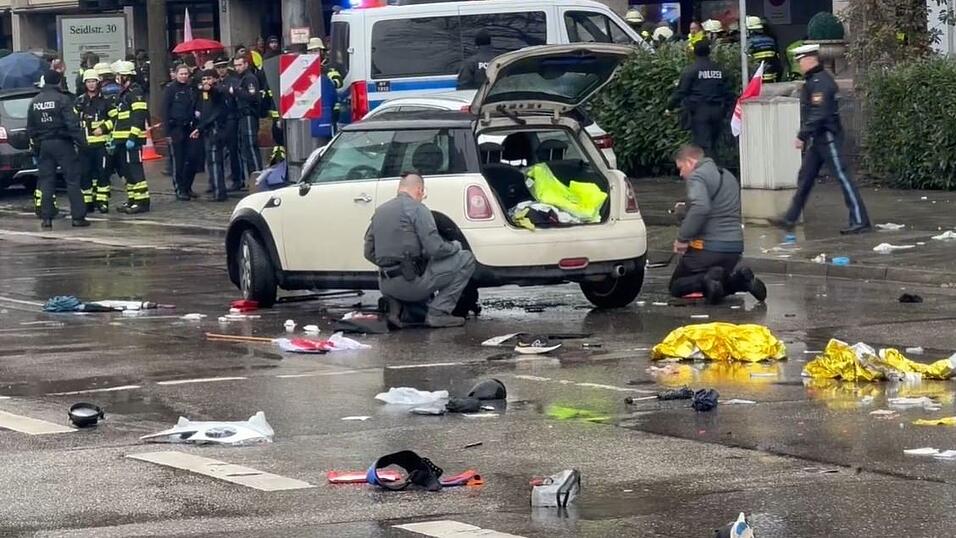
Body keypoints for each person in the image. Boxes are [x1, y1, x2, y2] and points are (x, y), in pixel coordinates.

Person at [770, 45, 871, 235]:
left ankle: (860, 220)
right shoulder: (813, 81)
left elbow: (820, 113)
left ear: (811, 60)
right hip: (819, 139)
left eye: (801, 61)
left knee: (843, 178)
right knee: (805, 178)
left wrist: (802, 135)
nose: (799, 65)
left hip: (828, 136)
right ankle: (789, 218)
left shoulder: (821, 82)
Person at [364, 172, 476, 329]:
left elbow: (368, 252)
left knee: (420, 267)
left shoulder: (380, 211)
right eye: (423, 193)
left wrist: (393, 264)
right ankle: (438, 313)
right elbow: (436, 248)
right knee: (466, 258)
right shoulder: (418, 209)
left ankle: (397, 308)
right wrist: (455, 246)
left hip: (386, 286)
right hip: (411, 284)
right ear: (419, 190)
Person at [669, 145, 766, 305]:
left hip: (707, 249)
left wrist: (682, 239)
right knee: (717, 278)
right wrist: (684, 210)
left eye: (680, 168)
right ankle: (741, 280)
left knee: (676, 286)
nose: (681, 174)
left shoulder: (697, 177)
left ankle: (707, 281)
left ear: (690, 161)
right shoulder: (727, 175)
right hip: (734, 248)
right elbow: (719, 208)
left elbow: (701, 207)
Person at [27, 69, 87, 229]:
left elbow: (31, 128)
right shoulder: (63, 99)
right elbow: (72, 124)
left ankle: (46, 218)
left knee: (46, 181)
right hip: (63, 143)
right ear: (58, 82)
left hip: (44, 145)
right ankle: (78, 217)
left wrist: (37, 147)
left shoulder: (35, 102)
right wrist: (82, 143)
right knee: (72, 180)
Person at [669, 41, 732, 156]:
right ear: (709, 52)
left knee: (703, 145)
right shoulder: (720, 70)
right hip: (718, 110)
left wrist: (669, 107)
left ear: (694, 52)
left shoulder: (691, 70)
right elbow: (728, 92)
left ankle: (708, 171)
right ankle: (716, 169)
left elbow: (682, 91)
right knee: (714, 144)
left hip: (699, 111)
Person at [111, 60, 150, 214]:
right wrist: (114, 139)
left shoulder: (135, 92)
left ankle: (142, 202)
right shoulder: (124, 93)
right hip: (122, 139)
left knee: (135, 170)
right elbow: (120, 120)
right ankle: (132, 200)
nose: (117, 78)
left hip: (131, 140)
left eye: (119, 75)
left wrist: (133, 137)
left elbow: (139, 116)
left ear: (127, 77)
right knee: (127, 172)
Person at [76, 69, 112, 214]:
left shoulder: (106, 100)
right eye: (88, 82)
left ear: (98, 83)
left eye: (93, 81)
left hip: (101, 144)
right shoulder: (79, 101)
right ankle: (87, 202)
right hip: (84, 145)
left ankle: (102, 201)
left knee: (103, 173)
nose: (91, 84)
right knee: (85, 174)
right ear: (85, 83)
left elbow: (114, 119)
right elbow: (73, 121)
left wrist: (103, 128)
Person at [163, 64, 200, 201]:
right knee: (178, 161)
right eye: (181, 74)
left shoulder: (191, 88)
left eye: (186, 74)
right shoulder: (170, 89)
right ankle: (180, 188)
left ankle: (188, 187)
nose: (184, 76)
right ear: (176, 74)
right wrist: (167, 133)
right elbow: (165, 110)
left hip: (189, 128)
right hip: (175, 129)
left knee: (192, 158)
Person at [192, 69, 228, 201]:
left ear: (215, 79)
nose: (206, 82)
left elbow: (217, 105)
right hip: (207, 130)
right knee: (212, 162)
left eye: (209, 78)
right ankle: (216, 188)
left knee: (215, 162)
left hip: (215, 130)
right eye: (204, 79)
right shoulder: (203, 94)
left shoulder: (218, 91)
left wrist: (211, 89)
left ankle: (219, 193)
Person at [231, 55, 263, 190]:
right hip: (242, 116)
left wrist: (237, 91)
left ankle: (258, 179)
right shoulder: (240, 78)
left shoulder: (250, 78)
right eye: (236, 65)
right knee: (245, 149)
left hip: (249, 115)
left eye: (239, 65)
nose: (237, 68)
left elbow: (252, 96)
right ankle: (252, 179)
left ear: (245, 64)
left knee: (251, 147)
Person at [216, 56, 244, 191]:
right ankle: (220, 181)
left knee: (233, 151)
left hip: (232, 118)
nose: (221, 70)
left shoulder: (234, 81)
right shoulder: (215, 83)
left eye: (223, 67)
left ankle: (236, 179)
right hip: (220, 120)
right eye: (218, 68)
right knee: (221, 152)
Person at [746, 16, 782, 83]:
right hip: (771, 78)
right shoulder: (771, 41)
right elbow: (777, 60)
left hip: (756, 80)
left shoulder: (749, 43)